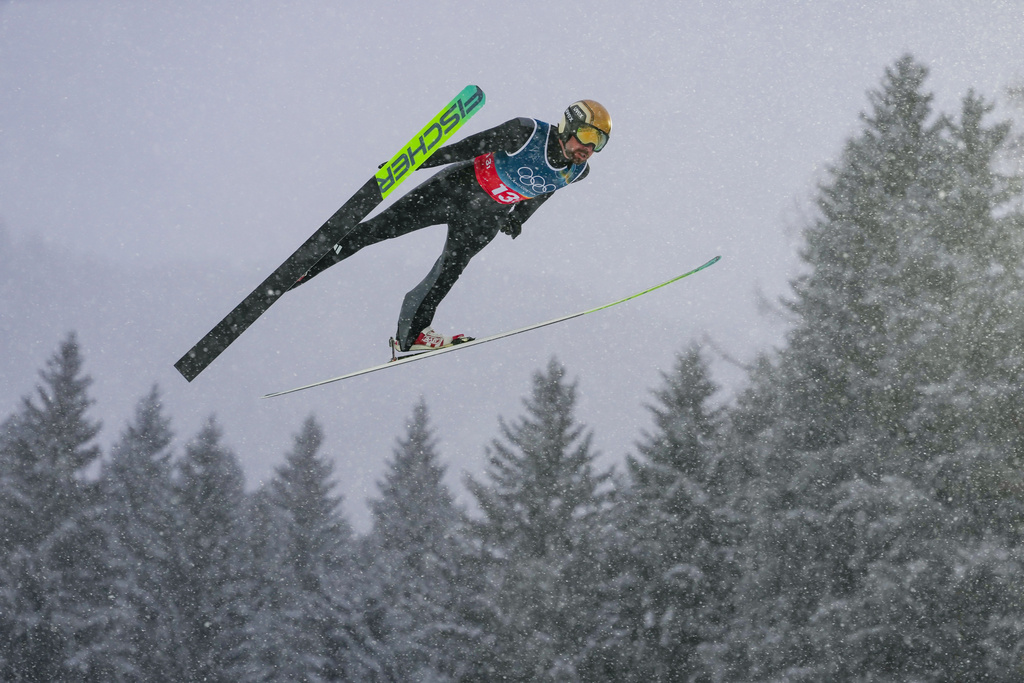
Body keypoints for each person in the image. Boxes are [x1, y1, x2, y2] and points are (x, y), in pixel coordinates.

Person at [293, 99, 612, 354]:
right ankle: (308, 266)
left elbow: (545, 188)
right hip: (455, 189)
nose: (589, 147)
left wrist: (519, 217)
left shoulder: (578, 171)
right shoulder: (525, 132)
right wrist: (416, 161)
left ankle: (411, 336)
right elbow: (465, 147)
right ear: (568, 126)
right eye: (587, 136)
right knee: (380, 229)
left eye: (599, 143)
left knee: (448, 272)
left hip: (486, 217)